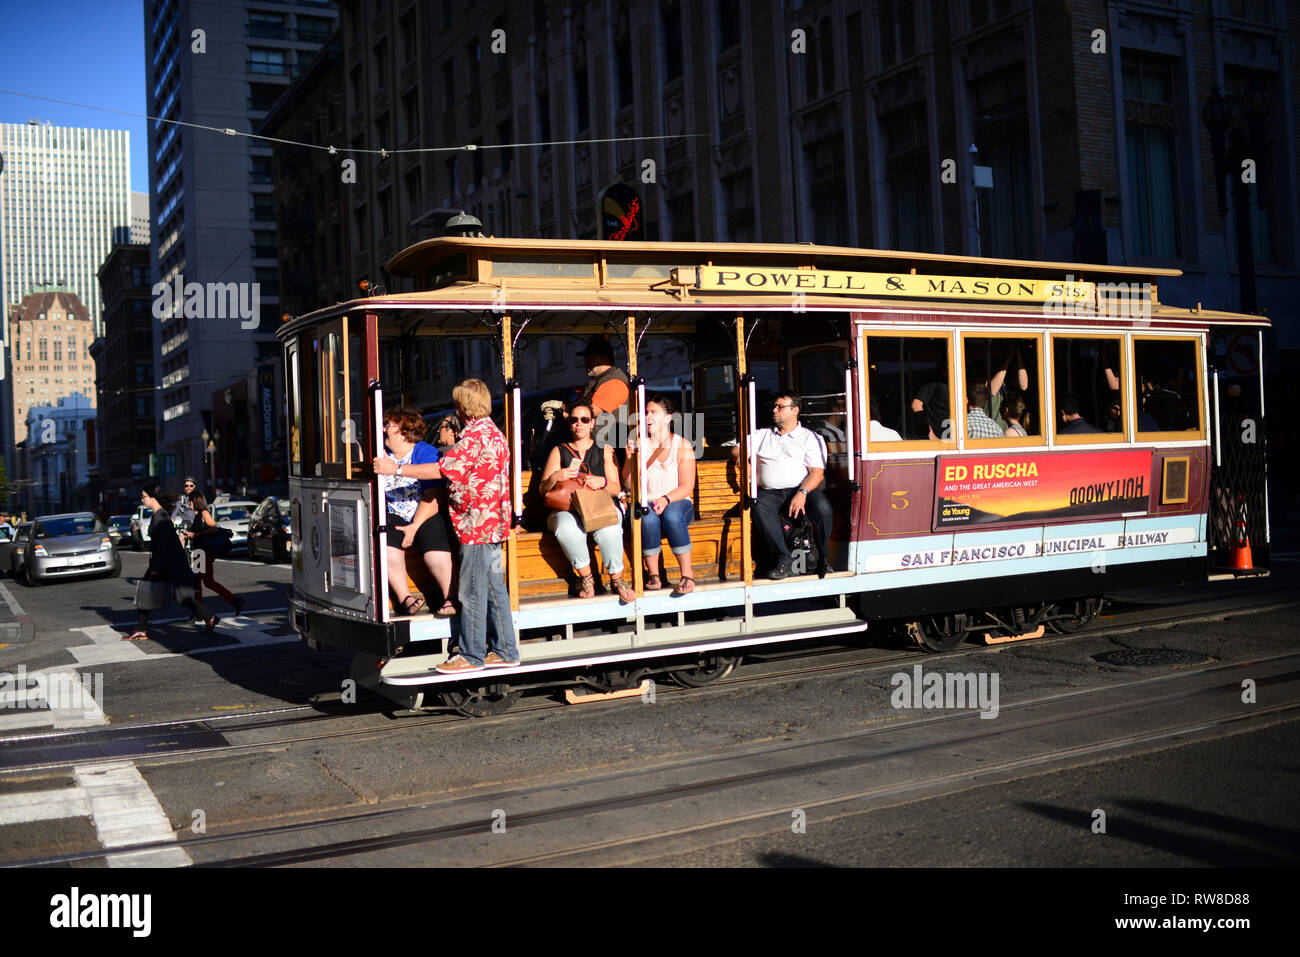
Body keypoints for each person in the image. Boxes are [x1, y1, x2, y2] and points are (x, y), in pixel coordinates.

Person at [374, 380, 518, 673]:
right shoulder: (493, 432)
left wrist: (397, 469)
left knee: (472, 592)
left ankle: (472, 655)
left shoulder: (476, 437)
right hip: (490, 523)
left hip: (476, 525)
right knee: (492, 588)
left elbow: (442, 470)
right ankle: (505, 650)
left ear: (463, 406)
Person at [540, 401, 634, 602]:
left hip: (598, 505)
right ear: (569, 423)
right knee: (566, 527)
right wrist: (556, 476)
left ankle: (617, 580)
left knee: (610, 527)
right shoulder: (559, 451)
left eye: (584, 419)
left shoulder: (605, 449)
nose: (579, 424)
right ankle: (587, 579)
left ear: (592, 423)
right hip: (568, 508)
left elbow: (617, 489)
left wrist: (602, 481)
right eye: (574, 420)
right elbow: (543, 490)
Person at [735, 392, 834, 579]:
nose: (775, 410)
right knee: (759, 508)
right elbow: (736, 449)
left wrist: (802, 493)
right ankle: (784, 560)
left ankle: (823, 560)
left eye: (780, 407)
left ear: (795, 410)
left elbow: (817, 473)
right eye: (774, 406)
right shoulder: (762, 435)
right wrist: (743, 461)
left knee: (823, 509)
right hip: (770, 492)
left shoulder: (810, 437)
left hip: (802, 488)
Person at [378, 407, 455, 617]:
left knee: (434, 548)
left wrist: (414, 526)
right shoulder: (384, 455)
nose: (384, 430)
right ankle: (406, 598)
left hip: (425, 511)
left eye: (389, 426)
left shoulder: (424, 452)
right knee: (385, 543)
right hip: (394, 513)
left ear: (404, 432)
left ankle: (450, 596)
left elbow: (434, 492)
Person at [623, 393, 697, 596]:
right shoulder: (639, 444)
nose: (647, 417)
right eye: (646, 412)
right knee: (646, 516)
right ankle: (654, 574)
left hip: (677, 501)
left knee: (672, 514)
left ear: (668, 418)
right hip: (648, 502)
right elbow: (628, 483)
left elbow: (687, 485)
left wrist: (665, 500)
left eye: (653, 412)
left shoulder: (683, 445)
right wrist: (630, 460)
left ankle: (687, 573)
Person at [123, 485, 217, 641]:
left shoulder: (161, 517)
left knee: (155, 594)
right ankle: (209, 618)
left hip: (167, 564)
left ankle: (141, 628)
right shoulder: (159, 515)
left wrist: (155, 568)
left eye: (144, 497)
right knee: (179, 597)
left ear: (153, 499)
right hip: (167, 563)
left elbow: (163, 545)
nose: (142, 499)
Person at [182, 491, 245, 616]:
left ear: (194, 501)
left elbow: (214, 528)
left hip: (204, 553)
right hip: (198, 552)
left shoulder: (204, 513)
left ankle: (234, 601)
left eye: (190, 501)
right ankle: (199, 611)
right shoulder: (194, 515)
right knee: (197, 582)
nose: (188, 503)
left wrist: (195, 534)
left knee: (207, 582)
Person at [578, 335, 630, 418]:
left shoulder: (614, 383)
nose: (586, 363)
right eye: (585, 359)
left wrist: (567, 411)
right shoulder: (601, 380)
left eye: (591, 359)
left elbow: (591, 412)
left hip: (610, 431)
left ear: (605, 359)